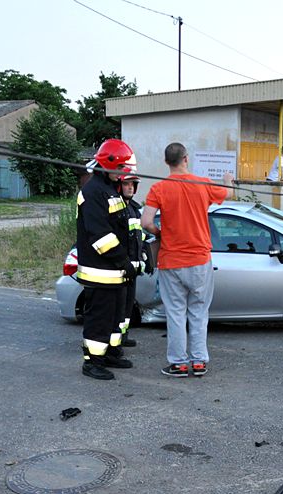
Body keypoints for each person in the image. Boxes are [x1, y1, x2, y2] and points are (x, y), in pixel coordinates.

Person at [141, 142, 234, 377]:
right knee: (199, 312)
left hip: (171, 260)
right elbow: (229, 193)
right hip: (199, 260)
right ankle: (199, 361)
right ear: (186, 159)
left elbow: (146, 222)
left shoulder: (158, 188)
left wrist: (160, 233)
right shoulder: (203, 184)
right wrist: (228, 180)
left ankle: (179, 364)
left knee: (175, 313)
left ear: (166, 162)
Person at [76, 139, 137, 381]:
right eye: (121, 168)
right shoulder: (93, 192)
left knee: (114, 317)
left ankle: (110, 353)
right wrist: (123, 261)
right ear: (108, 165)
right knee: (99, 319)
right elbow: (100, 235)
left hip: (114, 271)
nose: (124, 173)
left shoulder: (110, 189)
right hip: (100, 271)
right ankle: (92, 362)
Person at [117, 164, 153, 349]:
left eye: (133, 185)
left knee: (128, 305)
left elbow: (140, 237)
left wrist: (147, 255)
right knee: (118, 306)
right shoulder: (117, 209)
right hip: (120, 269)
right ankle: (115, 341)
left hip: (133, 269)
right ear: (119, 186)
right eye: (126, 184)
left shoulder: (134, 209)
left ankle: (123, 336)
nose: (130, 188)